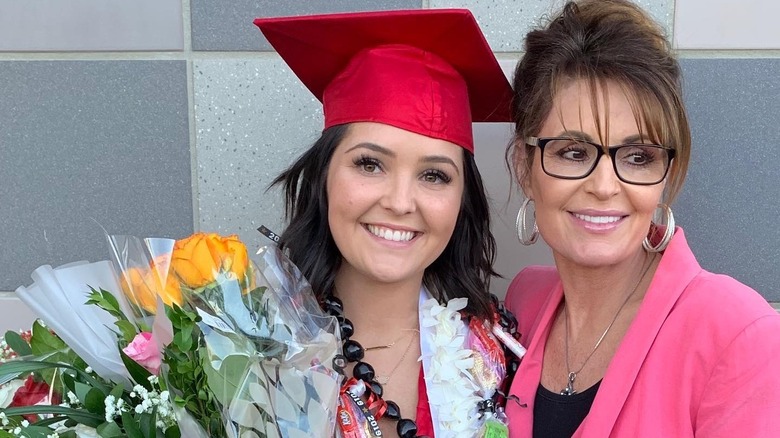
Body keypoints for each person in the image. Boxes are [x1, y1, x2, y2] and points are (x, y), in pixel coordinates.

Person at [502, 0, 780, 436]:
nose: (605, 186)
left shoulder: (737, 334)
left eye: (638, 156)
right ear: (524, 166)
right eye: (574, 152)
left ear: (664, 173)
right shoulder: (523, 304)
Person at [254, 9, 522, 438]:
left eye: (434, 175)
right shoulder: (251, 346)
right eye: (370, 164)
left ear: (461, 200)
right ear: (324, 176)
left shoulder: (501, 355)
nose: (399, 202)